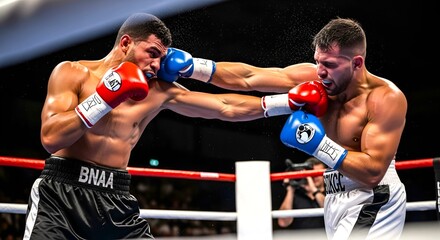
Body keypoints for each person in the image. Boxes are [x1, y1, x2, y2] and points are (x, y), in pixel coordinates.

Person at [23, 13, 327, 239]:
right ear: (126, 43)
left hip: (115, 199)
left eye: (162, 58)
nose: (157, 65)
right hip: (61, 194)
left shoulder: (159, 90)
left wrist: (287, 102)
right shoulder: (73, 73)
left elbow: (226, 107)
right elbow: (51, 138)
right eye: (152, 54)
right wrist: (104, 98)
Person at [159, 17, 408, 240]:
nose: (320, 72)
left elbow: (373, 172)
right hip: (334, 196)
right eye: (318, 62)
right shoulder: (316, 78)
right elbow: (250, 77)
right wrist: (193, 68)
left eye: (330, 64)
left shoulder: (385, 99)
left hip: (373, 196)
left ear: (356, 63)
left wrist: (318, 144)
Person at [278, 157, 326, 229]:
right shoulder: (295, 195)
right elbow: (283, 222)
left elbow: (331, 211)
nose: (315, 177)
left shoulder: (330, 193)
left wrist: (314, 190)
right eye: (312, 174)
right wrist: (290, 189)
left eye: (318, 173)